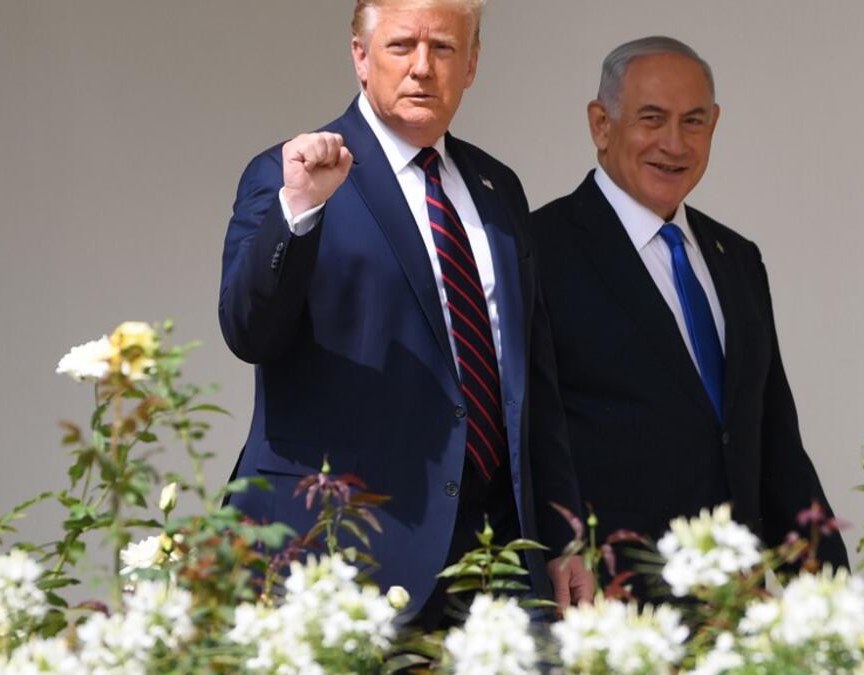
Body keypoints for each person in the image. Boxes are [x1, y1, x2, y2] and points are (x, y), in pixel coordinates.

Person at [218, 0, 592, 626]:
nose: (422, 67)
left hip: (496, 556)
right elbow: (249, 331)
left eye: (443, 48)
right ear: (360, 57)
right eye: (401, 46)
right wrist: (301, 211)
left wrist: (564, 535)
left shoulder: (498, 189)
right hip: (346, 552)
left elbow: (533, 385)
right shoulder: (292, 174)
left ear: (471, 64)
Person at [529, 36, 849, 592]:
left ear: (714, 126)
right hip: (611, 607)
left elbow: (773, 446)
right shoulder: (537, 251)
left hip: (733, 606)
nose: (674, 144)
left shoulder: (738, 259)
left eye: (694, 122)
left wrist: (831, 597)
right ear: (601, 124)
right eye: (652, 119)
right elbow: (529, 439)